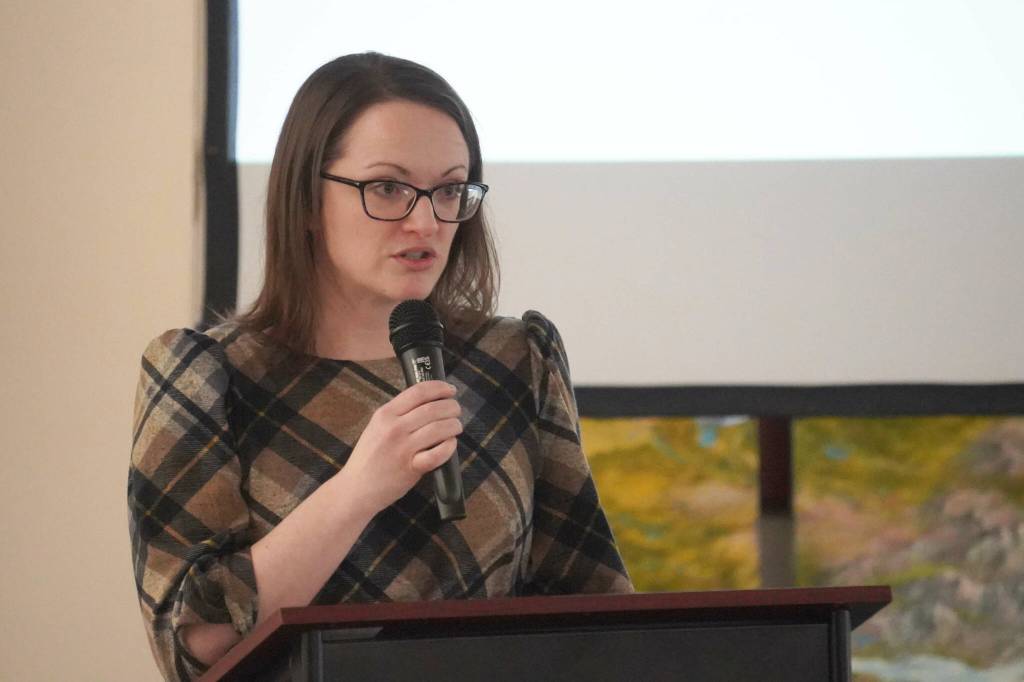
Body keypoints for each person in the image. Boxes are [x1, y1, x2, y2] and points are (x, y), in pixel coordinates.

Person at [127, 52, 632, 682]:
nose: (426, 221)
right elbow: (195, 639)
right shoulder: (205, 376)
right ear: (308, 198)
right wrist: (360, 487)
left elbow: (596, 609)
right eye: (388, 187)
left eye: (450, 189)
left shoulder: (514, 359)